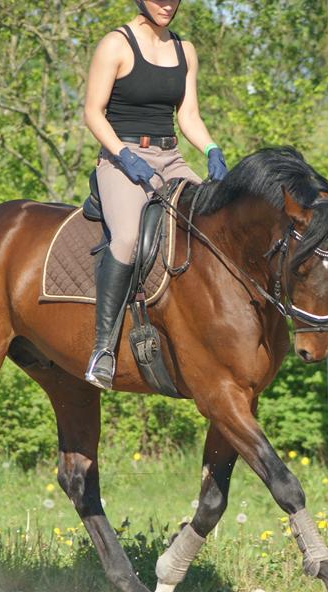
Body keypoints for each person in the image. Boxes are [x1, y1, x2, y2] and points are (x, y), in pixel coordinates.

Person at [81, 0, 228, 388]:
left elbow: (188, 115)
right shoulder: (115, 44)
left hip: (171, 156)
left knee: (216, 221)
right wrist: (125, 156)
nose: (167, 4)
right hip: (121, 158)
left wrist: (212, 149)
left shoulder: (185, 50)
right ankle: (103, 349)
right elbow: (93, 112)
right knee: (127, 238)